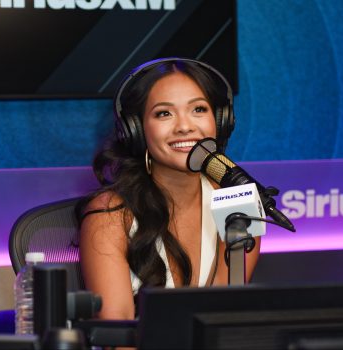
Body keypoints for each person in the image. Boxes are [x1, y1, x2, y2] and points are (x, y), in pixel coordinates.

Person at [77, 58, 261, 320]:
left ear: (220, 122)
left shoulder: (237, 202)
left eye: (198, 109)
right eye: (164, 113)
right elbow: (117, 340)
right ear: (136, 130)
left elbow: (223, 318)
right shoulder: (110, 216)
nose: (185, 126)